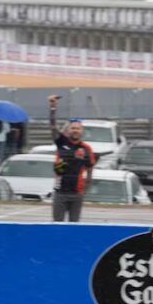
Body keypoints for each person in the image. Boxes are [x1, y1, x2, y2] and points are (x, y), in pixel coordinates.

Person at [47, 94, 95, 222]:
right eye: (73, 128)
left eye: (78, 128)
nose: (75, 130)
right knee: (57, 226)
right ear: (68, 130)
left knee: (74, 227)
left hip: (76, 194)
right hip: (60, 193)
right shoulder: (62, 142)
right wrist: (52, 108)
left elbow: (90, 172)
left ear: (82, 131)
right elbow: (52, 127)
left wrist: (84, 192)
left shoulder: (86, 149)